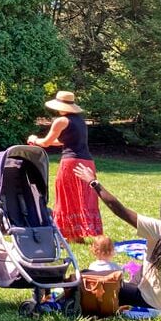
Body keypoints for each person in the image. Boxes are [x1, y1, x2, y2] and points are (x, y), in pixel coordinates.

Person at [73, 165, 161, 313]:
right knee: (136, 274)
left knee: (85, 275)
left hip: (150, 301)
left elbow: (120, 210)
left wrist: (94, 183)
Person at [27, 91, 101, 243]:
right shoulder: (80, 121)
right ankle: (78, 234)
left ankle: (68, 234)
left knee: (66, 196)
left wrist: (34, 139)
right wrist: (41, 140)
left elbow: (46, 143)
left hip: (71, 163)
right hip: (87, 163)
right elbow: (62, 141)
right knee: (84, 197)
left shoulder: (61, 120)